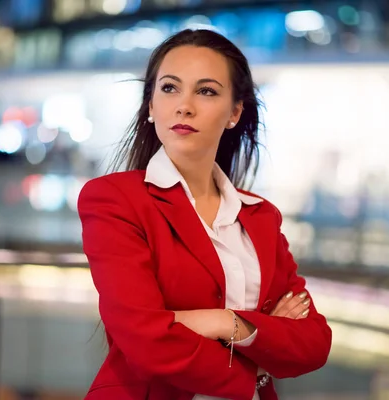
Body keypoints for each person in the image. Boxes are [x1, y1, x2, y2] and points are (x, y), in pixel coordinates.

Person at [78, 29, 332, 400]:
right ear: (150, 105)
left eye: (206, 91)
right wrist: (258, 355)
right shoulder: (114, 200)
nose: (184, 105)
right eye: (169, 88)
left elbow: (313, 342)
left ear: (234, 112)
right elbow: (145, 342)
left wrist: (223, 321)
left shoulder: (261, 216)